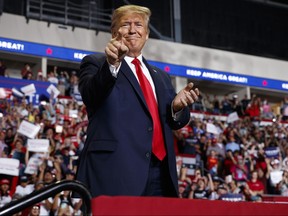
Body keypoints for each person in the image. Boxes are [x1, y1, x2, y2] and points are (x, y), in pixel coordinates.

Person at [75, 4, 200, 198]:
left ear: (147, 33)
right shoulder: (96, 63)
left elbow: (176, 122)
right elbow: (91, 96)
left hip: (161, 174)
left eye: (138, 25)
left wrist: (176, 108)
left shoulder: (160, 76)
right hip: (116, 171)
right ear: (114, 31)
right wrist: (112, 65)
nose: (133, 30)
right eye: (126, 24)